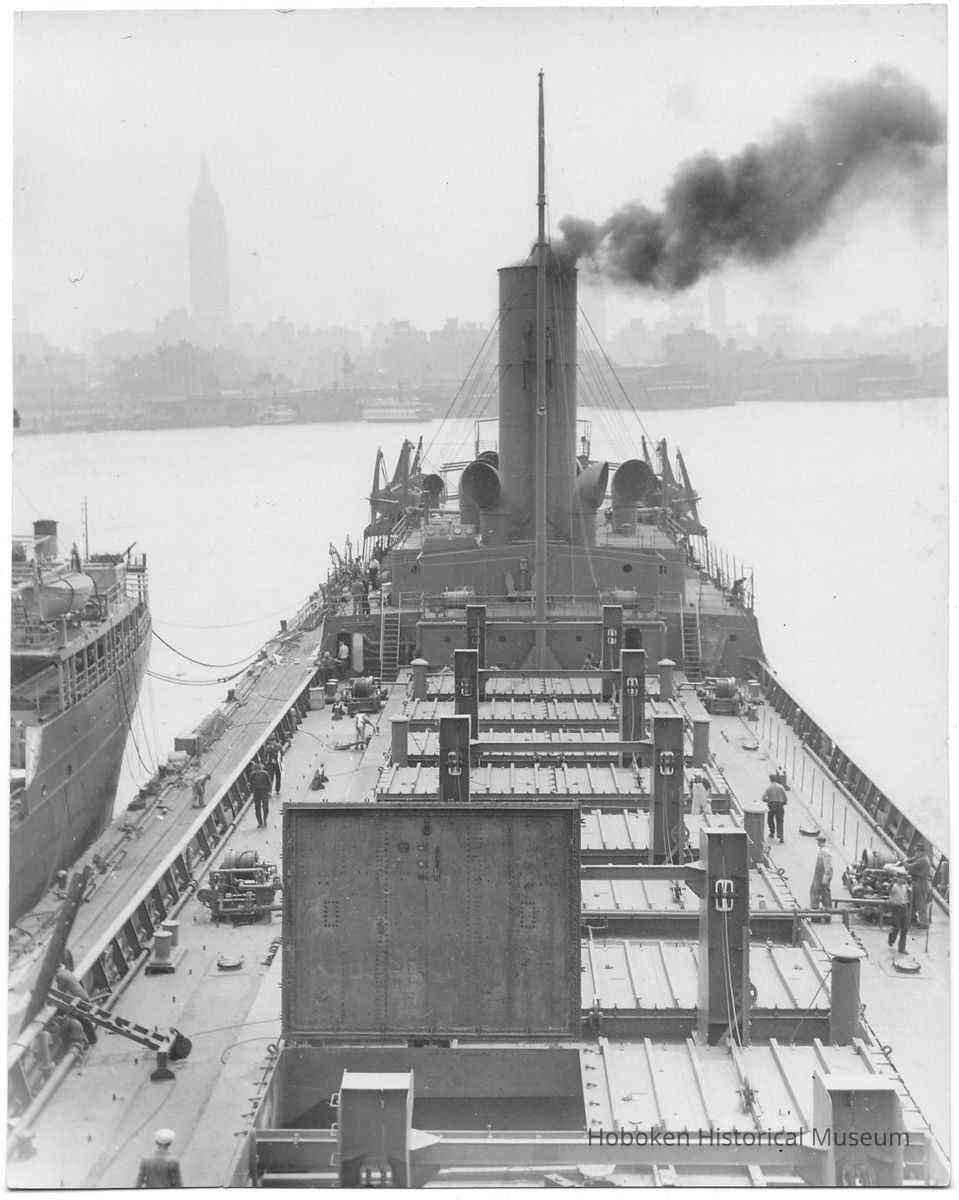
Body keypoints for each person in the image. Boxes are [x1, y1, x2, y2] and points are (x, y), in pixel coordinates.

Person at [903, 842, 933, 926]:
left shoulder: (923, 860)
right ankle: (914, 919)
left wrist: (904, 862)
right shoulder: (923, 857)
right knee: (915, 902)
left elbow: (910, 866)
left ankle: (924, 923)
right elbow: (913, 859)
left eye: (917, 851)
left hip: (921, 884)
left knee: (920, 903)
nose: (916, 853)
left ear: (920, 851)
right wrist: (907, 859)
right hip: (918, 883)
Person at [886, 866, 911, 955]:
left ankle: (902, 948)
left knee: (904, 929)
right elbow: (888, 890)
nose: (903, 880)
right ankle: (891, 939)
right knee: (896, 927)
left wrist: (907, 911)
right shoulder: (894, 886)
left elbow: (905, 898)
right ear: (898, 878)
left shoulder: (905, 887)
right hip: (895, 908)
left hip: (903, 908)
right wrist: (891, 884)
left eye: (904, 879)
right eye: (902, 878)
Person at [810, 834, 833, 913]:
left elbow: (828, 866)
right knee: (816, 890)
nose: (817, 843)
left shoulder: (825, 852)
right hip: (819, 875)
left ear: (820, 842)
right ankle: (821, 908)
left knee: (823, 892)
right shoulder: (822, 850)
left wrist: (825, 877)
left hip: (822, 876)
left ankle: (825, 909)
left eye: (818, 841)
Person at [762, 774, 788, 842]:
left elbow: (763, 798)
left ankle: (772, 832)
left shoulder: (768, 788)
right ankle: (781, 836)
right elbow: (786, 797)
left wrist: (769, 800)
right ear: (776, 779)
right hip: (779, 805)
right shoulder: (781, 787)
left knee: (770, 820)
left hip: (771, 806)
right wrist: (783, 803)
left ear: (770, 779)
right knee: (780, 821)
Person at [249, 761, 272, 828]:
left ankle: (265, 819)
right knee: (257, 808)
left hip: (264, 791)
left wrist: (269, 791)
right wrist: (252, 791)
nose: (257, 771)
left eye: (258, 769)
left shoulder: (265, 774)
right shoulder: (252, 775)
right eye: (256, 770)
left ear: (260, 769)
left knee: (265, 807)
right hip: (256, 793)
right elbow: (251, 783)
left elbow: (269, 783)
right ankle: (260, 822)